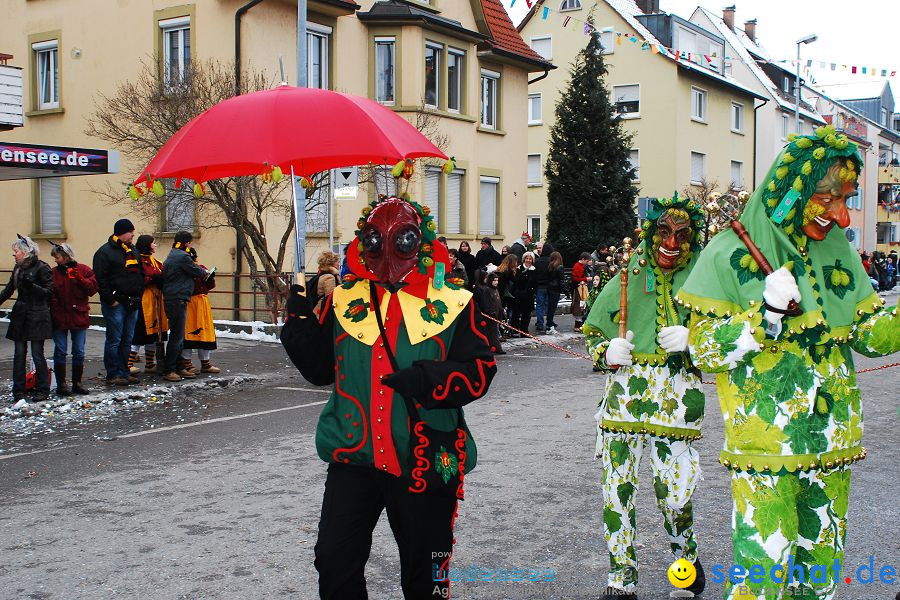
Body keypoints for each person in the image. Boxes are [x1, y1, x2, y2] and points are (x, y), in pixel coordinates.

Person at [678, 127, 900, 600]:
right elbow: (703, 350)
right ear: (790, 191)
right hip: (766, 448)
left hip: (834, 441)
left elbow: (872, 337)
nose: (841, 216)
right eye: (829, 198)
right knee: (764, 574)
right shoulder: (729, 253)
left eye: (847, 199)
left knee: (819, 576)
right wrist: (765, 316)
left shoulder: (838, 249)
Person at [280, 195, 497, 599]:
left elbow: (480, 371)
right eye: (375, 240)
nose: (387, 250)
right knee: (334, 561)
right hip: (354, 456)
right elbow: (318, 370)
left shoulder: (453, 302)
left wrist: (428, 379)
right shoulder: (343, 300)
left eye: (402, 239)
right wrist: (297, 318)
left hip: (425, 457)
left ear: (420, 242)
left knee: (425, 574)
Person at [584, 195, 708, 600]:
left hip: (676, 403)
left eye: (682, 234)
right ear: (652, 234)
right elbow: (593, 332)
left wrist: (696, 342)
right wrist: (607, 352)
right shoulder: (628, 275)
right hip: (623, 403)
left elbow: (728, 339)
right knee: (615, 492)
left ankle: (685, 563)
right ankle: (621, 578)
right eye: (665, 232)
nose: (671, 242)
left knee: (675, 493)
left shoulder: (703, 280)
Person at [1, 236, 54, 403]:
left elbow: (49, 293)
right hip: (21, 314)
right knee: (19, 354)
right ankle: (18, 390)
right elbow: (9, 290)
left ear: (26, 252)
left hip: (38, 314)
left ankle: (43, 389)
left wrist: (32, 286)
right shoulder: (18, 269)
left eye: (16, 252)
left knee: (37, 354)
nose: (14, 255)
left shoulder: (42, 268)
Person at [93, 219, 145, 386]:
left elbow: (140, 274)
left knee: (127, 339)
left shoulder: (133, 251)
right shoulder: (105, 252)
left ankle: (124, 371)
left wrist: (139, 293)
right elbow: (100, 279)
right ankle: (113, 373)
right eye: (130, 231)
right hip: (116, 303)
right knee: (114, 339)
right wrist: (111, 300)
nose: (133, 234)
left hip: (133, 302)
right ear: (121, 232)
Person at [49, 242, 98, 396]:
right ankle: (62, 384)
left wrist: (79, 277)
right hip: (60, 316)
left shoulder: (83, 270)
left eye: (57, 257)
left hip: (79, 315)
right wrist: (56, 308)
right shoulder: (53, 273)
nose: (55, 260)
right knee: (61, 350)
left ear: (66, 256)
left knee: (79, 351)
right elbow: (50, 294)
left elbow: (92, 289)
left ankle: (77, 382)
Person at [161, 231, 208, 382]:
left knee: (179, 336)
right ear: (187, 243)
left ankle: (179, 366)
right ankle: (169, 369)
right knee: (177, 336)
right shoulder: (182, 256)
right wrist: (205, 271)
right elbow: (196, 270)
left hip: (174, 297)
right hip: (177, 298)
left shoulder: (173, 254)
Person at [128, 235, 167, 375]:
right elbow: (137, 277)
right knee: (139, 333)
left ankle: (150, 364)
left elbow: (161, 273)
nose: (155, 246)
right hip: (143, 300)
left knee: (154, 333)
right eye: (153, 243)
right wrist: (151, 279)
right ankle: (129, 362)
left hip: (155, 300)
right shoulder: (137, 259)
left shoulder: (155, 262)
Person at [180, 246, 219, 375]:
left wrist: (210, 278)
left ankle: (205, 363)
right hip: (190, 303)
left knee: (205, 333)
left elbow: (210, 285)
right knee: (189, 332)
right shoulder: (186, 270)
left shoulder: (201, 268)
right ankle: (187, 363)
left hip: (202, 303)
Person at [474, 270, 504, 355]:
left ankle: (492, 347)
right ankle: (497, 348)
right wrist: (491, 312)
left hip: (496, 314)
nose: (496, 282)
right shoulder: (487, 290)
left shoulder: (495, 290)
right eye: (494, 280)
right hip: (490, 315)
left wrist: (501, 311)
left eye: (497, 280)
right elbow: (486, 303)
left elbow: (498, 303)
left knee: (493, 332)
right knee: (493, 333)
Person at [510, 251, 537, 334]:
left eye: (530, 259)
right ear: (524, 259)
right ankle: (515, 330)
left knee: (526, 315)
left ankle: (524, 331)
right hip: (518, 295)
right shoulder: (519, 269)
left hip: (529, 295)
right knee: (516, 314)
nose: (528, 260)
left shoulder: (534, 270)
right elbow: (516, 282)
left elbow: (535, 283)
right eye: (527, 258)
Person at [310, 250, 341, 316]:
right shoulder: (329, 277)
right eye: (337, 262)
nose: (339, 264)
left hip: (318, 309)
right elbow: (330, 297)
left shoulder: (321, 274)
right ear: (331, 263)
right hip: (323, 312)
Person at [533, 243, 555, 334]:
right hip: (549, 286)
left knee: (539, 306)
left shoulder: (537, 261)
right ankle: (549, 323)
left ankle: (540, 323)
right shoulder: (551, 262)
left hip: (539, 286)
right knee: (548, 306)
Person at [496, 254, 519, 337]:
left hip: (498, 294)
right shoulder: (508, 271)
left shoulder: (500, 269)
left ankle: (500, 331)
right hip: (505, 295)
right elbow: (515, 281)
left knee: (500, 313)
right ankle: (505, 331)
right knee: (505, 314)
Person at [570, 252, 591, 331]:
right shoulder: (577, 266)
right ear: (583, 259)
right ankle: (578, 325)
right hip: (578, 289)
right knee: (578, 306)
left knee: (581, 305)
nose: (587, 263)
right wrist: (586, 279)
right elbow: (575, 279)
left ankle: (579, 324)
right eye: (587, 261)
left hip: (581, 288)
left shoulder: (581, 266)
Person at [546, 251, 565, 334]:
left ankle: (549, 322)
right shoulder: (560, 267)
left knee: (550, 307)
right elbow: (561, 281)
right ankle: (550, 324)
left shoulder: (550, 266)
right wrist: (565, 291)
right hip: (556, 289)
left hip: (549, 288)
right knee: (552, 307)